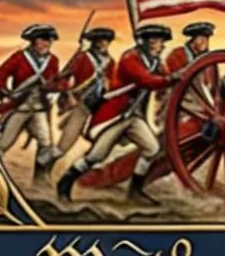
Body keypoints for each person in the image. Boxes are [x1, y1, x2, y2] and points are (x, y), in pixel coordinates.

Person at [55, 22, 174, 205]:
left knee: (152, 149)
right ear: (146, 42)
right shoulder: (129, 58)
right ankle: (65, 183)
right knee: (96, 156)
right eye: (158, 41)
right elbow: (147, 80)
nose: (162, 45)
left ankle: (134, 191)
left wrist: (175, 79)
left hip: (133, 116)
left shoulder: (155, 62)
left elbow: (166, 79)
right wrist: (171, 78)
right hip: (114, 115)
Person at [0, 22, 61, 183]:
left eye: (49, 40)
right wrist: (5, 94)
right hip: (20, 107)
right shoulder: (20, 57)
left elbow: (54, 81)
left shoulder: (53, 60)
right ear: (33, 41)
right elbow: (0, 74)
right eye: (42, 40)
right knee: (4, 143)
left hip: (39, 109)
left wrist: (53, 93)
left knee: (46, 145)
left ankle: (40, 181)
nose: (46, 44)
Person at [53, 23, 116, 156]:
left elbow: (112, 83)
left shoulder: (110, 62)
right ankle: (44, 168)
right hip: (81, 103)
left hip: (99, 104)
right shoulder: (82, 57)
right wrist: (68, 95)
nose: (103, 44)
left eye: (105, 40)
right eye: (99, 40)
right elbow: (63, 77)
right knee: (64, 146)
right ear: (93, 42)